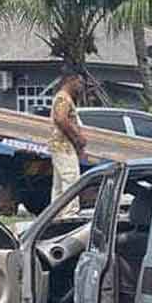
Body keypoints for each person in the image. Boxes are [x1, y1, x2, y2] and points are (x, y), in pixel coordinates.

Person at [48, 72, 86, 214]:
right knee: (71, 179)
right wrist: (77, 137)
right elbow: (61, 119)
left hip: (61, 145)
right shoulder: (63, 97)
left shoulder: (64, 97)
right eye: (79, 83)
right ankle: (70, 213)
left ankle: (55, 215)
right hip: (63, 146)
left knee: (59, 185)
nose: (81, 87)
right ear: (71, 80)